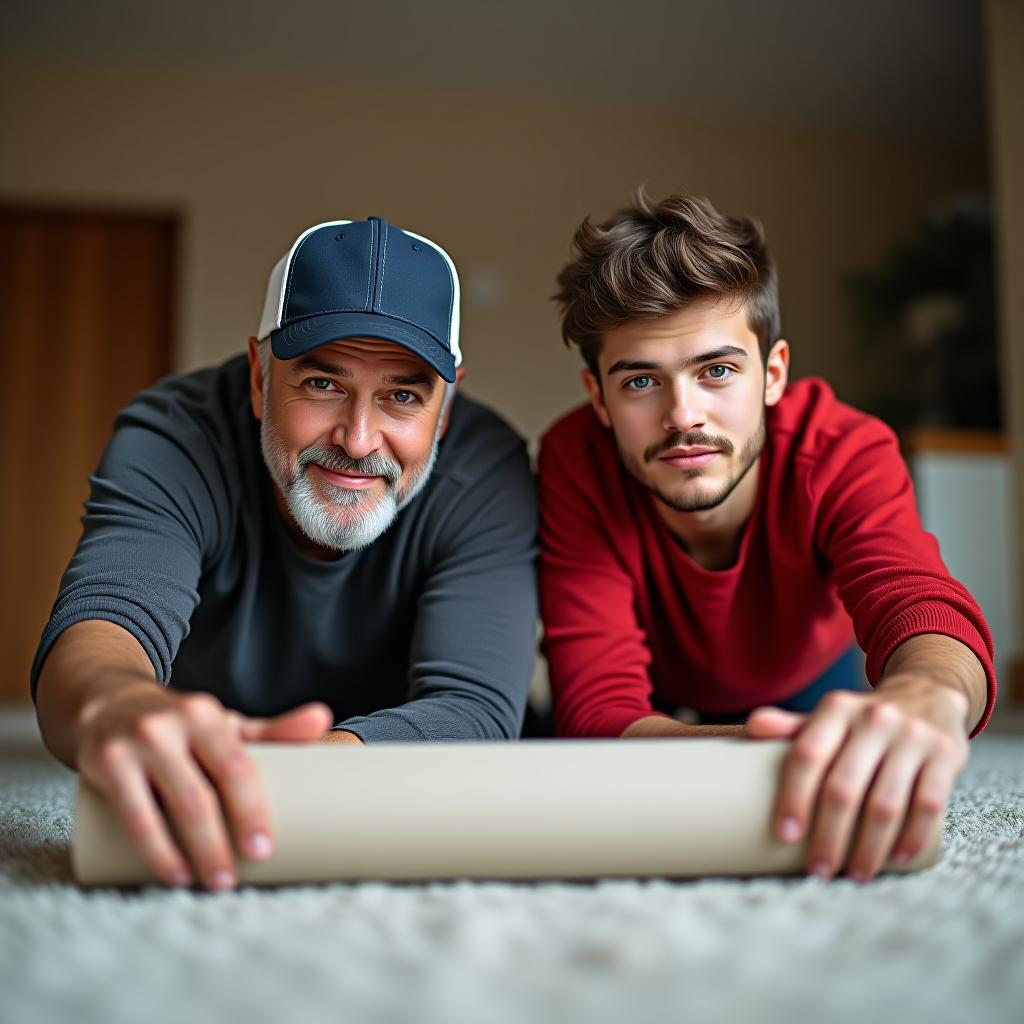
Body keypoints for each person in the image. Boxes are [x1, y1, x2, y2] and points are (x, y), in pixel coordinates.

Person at [32, 216, 538, 891]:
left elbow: (473, 707)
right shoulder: (177, 435)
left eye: (403, 396)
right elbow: (106, 624)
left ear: (444, 411)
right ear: (259, 377)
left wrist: (293, 770)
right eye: (322, 384)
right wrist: (113, 704)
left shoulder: (486, 469)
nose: (359, 440)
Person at [539, 191, 996, 883]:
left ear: (773, 373)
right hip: (657, 688)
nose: (682, 415)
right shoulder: (574, 461)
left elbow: (918, 604)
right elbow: (601, 709)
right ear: (598, 397)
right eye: (640, 382)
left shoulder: (843, 447)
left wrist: (928, 696)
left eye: (717, 371)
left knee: (872, 736)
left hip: (812, 672)